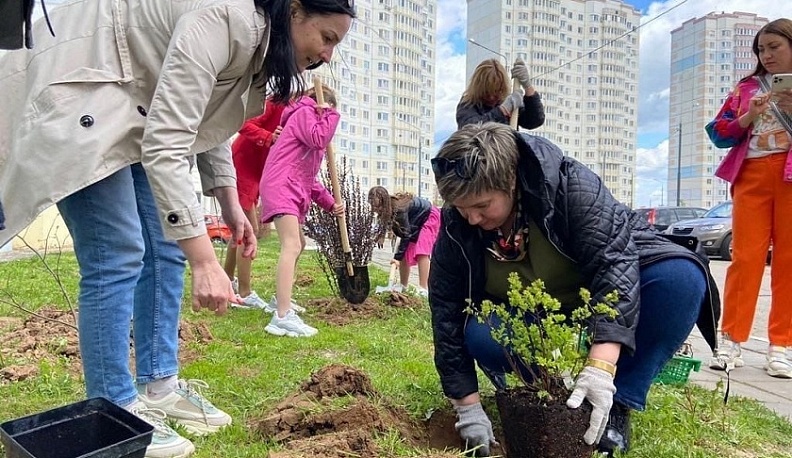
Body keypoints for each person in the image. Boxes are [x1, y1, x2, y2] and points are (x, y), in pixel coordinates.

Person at [0, 0, 355, 456]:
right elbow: (167, 140)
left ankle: (159, 385)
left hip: (132, 109)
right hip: (82, 91)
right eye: (327, 38)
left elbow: (204, 121)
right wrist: (205, 262)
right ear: (295, 10)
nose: (327, 54)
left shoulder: (256, 46)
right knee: (117, 252)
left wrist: (229, 201)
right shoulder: (226, 19)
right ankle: (114, 408)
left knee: (167, 247)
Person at [428, 123, 720, 457]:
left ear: (510, 180)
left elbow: (614, 267)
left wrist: (601, 368)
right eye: (461, 207)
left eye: (482, 205)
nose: (471, 219)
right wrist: (466, 406)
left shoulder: (570, 187)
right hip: (528, 312)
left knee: (680, 279)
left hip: (590, 291)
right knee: (481, 333)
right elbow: (446, 309)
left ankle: (617, 402)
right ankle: (548, 388)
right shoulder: (457, 224)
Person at [706, 18, 792, 377]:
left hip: (790, 178)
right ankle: (731, 339)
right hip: (751, 176)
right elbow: (718, 132)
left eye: (774, 47)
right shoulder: (746, 88)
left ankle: (780, 346)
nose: (766, 55)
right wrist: (748, 115)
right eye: (761, 49)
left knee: (788, 261)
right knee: (745, 258)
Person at [259, 84, 344, 337]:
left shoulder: (306, 127)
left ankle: (281, 300)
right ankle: (282, 316)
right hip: (282, 185)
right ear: (324, 106)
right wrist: (330, 114)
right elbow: (320, 137)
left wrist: (330, 203)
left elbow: (309, 178)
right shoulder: (304, 114)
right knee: (292, 244)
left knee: (300, 242)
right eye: (329, 111)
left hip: (291, 184)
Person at [224, 98, 287, 309]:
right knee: (248, 229)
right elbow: (243, 124)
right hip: (242, 165)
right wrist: (269, 136)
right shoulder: (276, 103)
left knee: (240, 230)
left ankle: (227, 282)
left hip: (255, 173)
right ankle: (244, 292)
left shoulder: (297, 116)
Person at [368, 186, 440, 297]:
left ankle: (424, 289)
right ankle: (403, 285)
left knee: (422, 251)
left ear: (385, 202)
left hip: (429, 216)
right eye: (373, 205)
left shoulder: (399, 210)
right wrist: (381, 235)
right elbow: (387, 224)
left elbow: (406, 235)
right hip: (415, 220)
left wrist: (397, 258)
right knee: (403, 252)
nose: (375, 209)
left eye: (377, 206)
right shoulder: (388, 209)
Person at [456, 58, 545, 129]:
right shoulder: (467, 104)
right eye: (486, 92)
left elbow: (535, 121)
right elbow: (470, 130)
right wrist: (502, 111)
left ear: (503, 88)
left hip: (508, 147)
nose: (491, 97)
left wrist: (528, 86)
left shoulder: (510, 101)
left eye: (496, 91)